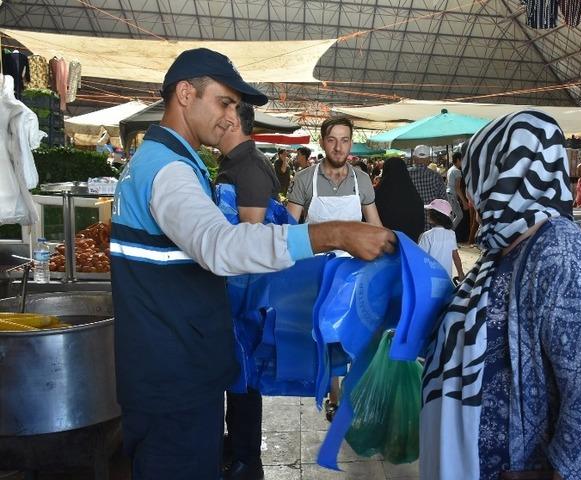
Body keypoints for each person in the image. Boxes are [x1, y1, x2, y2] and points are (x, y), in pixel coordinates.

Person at [110, 48, 396, 479]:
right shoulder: (168, 170)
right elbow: (222, 246)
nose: (231, 117)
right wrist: (333, 234)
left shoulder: (161, 162)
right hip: (174, 377)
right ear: (185, 94)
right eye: (224, 102)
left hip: (171, 366)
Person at [420, 110, 581, 480]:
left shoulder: (562, 254)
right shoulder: (504, 249)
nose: (468, 195)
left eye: (473, 179)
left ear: (498, 176)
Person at [286, 116, 382, 419]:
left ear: (351, 143)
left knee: (356, 334)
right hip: (319, 271)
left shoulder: (361, 180)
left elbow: (375, 225)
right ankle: (335, 393)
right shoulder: (304, 180)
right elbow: (288, 229)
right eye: (332, 140)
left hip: (355, 271)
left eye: (345, 140)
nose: (339, 147)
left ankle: (353, 392)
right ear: (323, 141)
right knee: (327, 335)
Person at [214, 102, 282, 480]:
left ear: (231, 122)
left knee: (244, 374)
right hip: (227, 285)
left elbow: (251, 237)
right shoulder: (232, 164)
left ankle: (245, 457)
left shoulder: (250, 166)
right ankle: (235, 444)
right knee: (232, 370)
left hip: (244, 289)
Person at [374, 157, 425, 242]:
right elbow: (420, 220)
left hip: (385, 242)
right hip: (409, 243)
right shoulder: (412, 192)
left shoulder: (379, 192)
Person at [418, 199, 465, 281]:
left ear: (435, 217)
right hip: (447, 279)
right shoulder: (451, 234)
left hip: (431, 279)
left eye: (429, 213)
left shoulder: (427, 236)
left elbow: (420, 258)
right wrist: (460, 273)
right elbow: (455, 256)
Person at [408, 144, 447, 230]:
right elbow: (444, 200)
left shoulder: (405, 175)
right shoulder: (436, 176)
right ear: (428, 159)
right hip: (432, 221)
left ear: (414, 158)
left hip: (412, 221)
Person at [446, 152, 467, 230]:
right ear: (458, 160)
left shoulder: (450, 169)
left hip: (448, 194)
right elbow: (457, 188)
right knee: (455, 216)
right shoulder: (457, 171)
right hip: (452, 195)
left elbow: (447, 183)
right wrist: (464, 201)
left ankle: (450, 231)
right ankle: (449, 232)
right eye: (462, 160)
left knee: (458, 215)